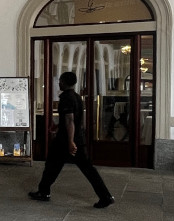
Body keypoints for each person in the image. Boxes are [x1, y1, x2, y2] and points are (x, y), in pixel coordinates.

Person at [29, 71, 114, 207]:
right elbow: (73, 120)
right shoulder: (77, 97)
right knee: (84, 168)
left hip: (66, 141)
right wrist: (58, 126)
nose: (59, 83)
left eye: (60, 81)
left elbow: (70, 120)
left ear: (63, 82)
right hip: (76, 138)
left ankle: (44, 192)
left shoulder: (66, 98)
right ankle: (105, 196)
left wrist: (70, 142)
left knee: (52, 165)